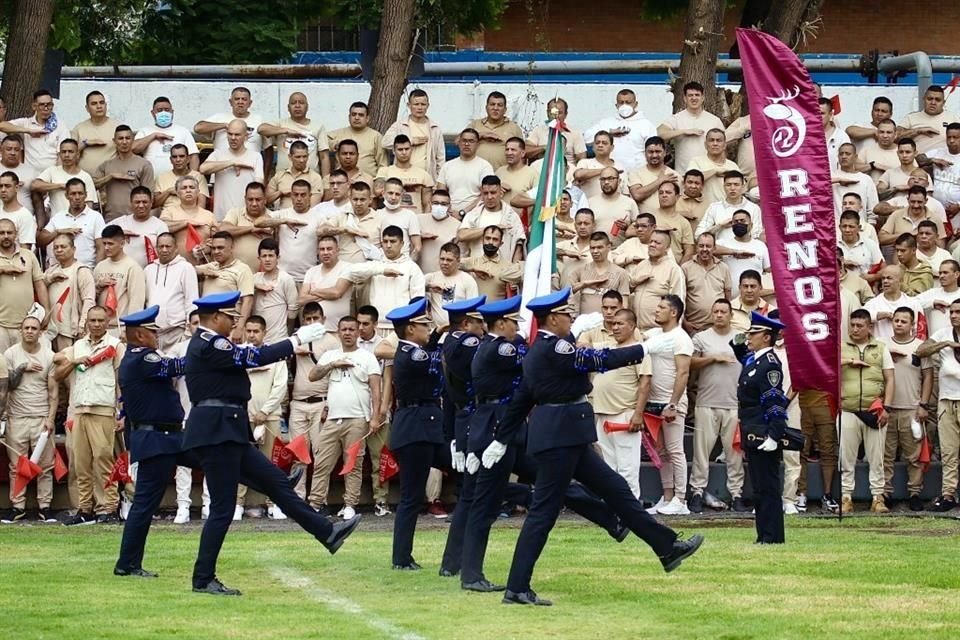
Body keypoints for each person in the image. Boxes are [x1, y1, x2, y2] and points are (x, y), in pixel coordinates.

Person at [481, 287, 703, 605]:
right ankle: (517, 587)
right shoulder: (555, 347)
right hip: (560, 438)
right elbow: (600, 359)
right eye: (566, 314)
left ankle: (666, 547)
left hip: (568, 436)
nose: (570, 319)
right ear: (553, 319)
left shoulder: (541, 349)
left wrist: (501, 439)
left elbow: (522, 399)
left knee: (616, 489)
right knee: (543, 513)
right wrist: (645, 347)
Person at [182, 291, 360, 595]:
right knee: (223, 508)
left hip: (228, 430)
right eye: (230, 317)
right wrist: (295, 340)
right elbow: (252, 357)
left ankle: (327, 532)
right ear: (216, 317)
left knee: (277, 483)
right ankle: (203, 578)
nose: (234, 322)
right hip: (217, 432)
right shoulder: (210, 342)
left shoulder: (212, 343)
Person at [386, 297, 451, 570]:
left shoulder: (412, 352)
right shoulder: (413, 354)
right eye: (424, 325)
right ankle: (401, 558)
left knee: (463, 469)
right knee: (411, 497)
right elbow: (433, 362)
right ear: (411, 329)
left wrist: (437, 335)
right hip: (416, 431)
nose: (428, 328)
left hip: (425, 429)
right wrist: (442, 336)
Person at [307, 315, 382, 520]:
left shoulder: (367, 357)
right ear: (338, 332)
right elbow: (312, 376)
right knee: (322, 462)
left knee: (353, 464)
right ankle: (315, 503)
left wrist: (375, 417)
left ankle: (350, 504)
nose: (348, 333)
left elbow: (376, 390)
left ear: (358, 332)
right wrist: (333, 365)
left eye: (351, 329)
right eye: (344, 329)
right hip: (333, 418)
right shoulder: (330, 355)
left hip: (358, 418)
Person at [54, 306, 124, 525]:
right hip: (79, 410)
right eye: (92, 320)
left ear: (107, 322)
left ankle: (109, 507)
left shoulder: (115, 345)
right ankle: (85, 508)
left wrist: (123, 412)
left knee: (104, 460)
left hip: (103, 409)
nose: (96, 324)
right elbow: (57, 374)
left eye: (100, 320)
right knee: (80, 463)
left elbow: (123, 382)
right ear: (86, 323)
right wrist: (74, 361)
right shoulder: (78, 346)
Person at [735, 311, 789, 544]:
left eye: (753, 334)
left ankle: (772, 535)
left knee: (768, 486)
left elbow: (774, 401)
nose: (749, 337)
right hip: (751, 428)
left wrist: (774, 434)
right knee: (758, 486)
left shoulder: (770, 365)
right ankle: (763, 534)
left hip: (763, 430)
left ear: (766, 337)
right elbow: (745, 360)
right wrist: (737, 343)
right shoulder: (755, 360)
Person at [688, 299, 745, 513]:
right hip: (706, 402)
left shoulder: (740, 337)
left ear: (731, 315)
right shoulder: (701, 338)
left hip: (734, 403)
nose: (719, 315)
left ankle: (737, 494)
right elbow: (690, 362)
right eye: (716, 311)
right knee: (701, 452)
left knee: (735, 453)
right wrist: (712, 358)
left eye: (723, 311)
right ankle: (697, 491)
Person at [839, 309, 896, 514]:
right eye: (852, 325)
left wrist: (887, 407)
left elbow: (890, 378)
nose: (855, 329)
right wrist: (849, 361)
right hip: (848, 408)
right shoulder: (841, 347)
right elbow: (827, 366)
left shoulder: (880, 348)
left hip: (874, 410)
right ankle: (846, 497)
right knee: (846, 457)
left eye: (859, 326)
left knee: (877, 457)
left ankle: (877, 497)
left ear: (869, 327)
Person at [2, 315, 57, 523]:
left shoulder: (49, 356)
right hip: (17, 417)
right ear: (20, 331)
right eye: (26, 328)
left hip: (41, 416)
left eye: (34, 328)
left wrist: (50, 418)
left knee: (45, 465)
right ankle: (18, 507)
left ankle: (45, 507)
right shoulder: (11, 354)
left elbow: (53, 392)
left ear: (40, 332)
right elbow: (8, 385)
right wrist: (22, 367)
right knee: (17, 466)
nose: (30, 331)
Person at [93, 125, 155, 222]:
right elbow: (92, 185)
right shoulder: (106, 165)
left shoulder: (144, 164)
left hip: (135, 218)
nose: (124, 142)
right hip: (111, 218)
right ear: (114, 141)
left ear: (133, 140)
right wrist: (110, 177)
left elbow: (149, 195)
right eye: (121, 138)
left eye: (128, 138)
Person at [383, 89, 446, 180]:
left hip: (427, 178)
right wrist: (410, 141)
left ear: (428, 106)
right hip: (402, 178)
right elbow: (385, 142)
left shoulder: (435, 129)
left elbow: (440, 158)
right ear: (409, 105)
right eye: (416, 104)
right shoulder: (400, 125)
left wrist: (440, 180)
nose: (420, 107)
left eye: (423, 104)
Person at [134, 96, 201, 174]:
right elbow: (134, 149)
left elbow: (193, 157)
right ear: (152, 113)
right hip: (151, 179)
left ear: (172, 112)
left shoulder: (183, 131)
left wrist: (192, 176)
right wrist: (153, 136)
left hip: (179, 180)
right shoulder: (144, 131)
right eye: (159, 110)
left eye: (167, 110)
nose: (163, 113)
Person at [328, 101, 386, 177]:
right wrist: (334, 145)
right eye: (353, 114)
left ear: (367, 118)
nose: (357, 118)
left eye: (361, 115)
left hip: (368, 181)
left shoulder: (376, 136)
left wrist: (379, 180)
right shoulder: (337, 134)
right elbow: (322, 143)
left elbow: (383, 164)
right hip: (341, 180)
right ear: (349, 117)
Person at [469, 91, 524, 170]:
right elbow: (458, 141)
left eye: (500, 105)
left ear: (505, 109)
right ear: (486, 107)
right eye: (492, 104)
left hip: (503, 174)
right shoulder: (475, 124)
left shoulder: (514, 128)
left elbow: (522, 155)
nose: (495, 108)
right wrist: (480, 135)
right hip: (476, 172)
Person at [152, 143, 210, 215]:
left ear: (188, 159)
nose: (178, 159)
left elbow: (201, 206)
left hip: (192, 216)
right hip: (168, 216)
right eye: (174, 157)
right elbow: (154, 204)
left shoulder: (198, 177)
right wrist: (168, 192)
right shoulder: (161, 177)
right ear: (171, 160)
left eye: (181, 156)